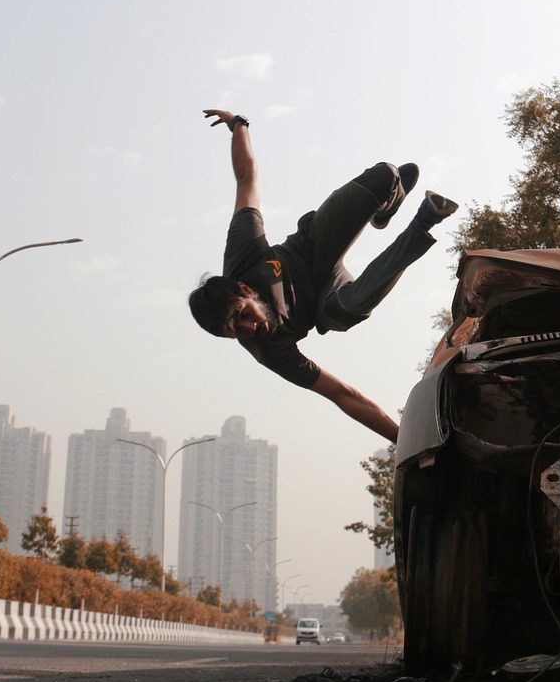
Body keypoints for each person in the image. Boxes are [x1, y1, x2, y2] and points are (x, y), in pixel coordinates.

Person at [189, 109, 458, 442]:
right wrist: (408, 441)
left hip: (313, 246)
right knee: (352, 306)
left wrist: (238, 124)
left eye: (243, 315)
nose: (250, 328)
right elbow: (343, 395)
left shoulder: (242, 252)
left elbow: (247, 178)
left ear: (244, 289)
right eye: (236, 333)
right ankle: (424, 222)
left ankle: (388, 204)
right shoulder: (270, 351)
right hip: (327, 302)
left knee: (386, 174)